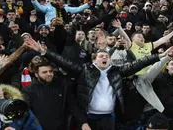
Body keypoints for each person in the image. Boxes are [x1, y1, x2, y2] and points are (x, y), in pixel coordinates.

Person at [25, 37, 164, 130]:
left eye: (107, 56)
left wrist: (158, 57)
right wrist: (44, 52)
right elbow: (63, 62)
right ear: (94, 60)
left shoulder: (117, 71)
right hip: (89, 117)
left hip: (109, 117)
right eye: (101, 56)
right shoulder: (84, 70)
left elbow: (137, 64)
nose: (105, 57)